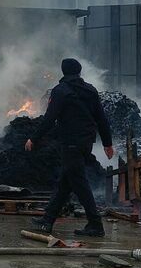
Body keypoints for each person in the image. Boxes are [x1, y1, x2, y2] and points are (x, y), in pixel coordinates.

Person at [25, 58, 114, 237]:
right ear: (79, 71)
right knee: (65, 183)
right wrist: (107, 143)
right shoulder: (90, 90)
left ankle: (95, 224)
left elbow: (50, 118)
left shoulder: (60, 91)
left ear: (63, 71)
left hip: (70, 142)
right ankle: (47, 221)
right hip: (86, 142)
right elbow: (101, 119)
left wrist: (34, 138)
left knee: (79, 182)